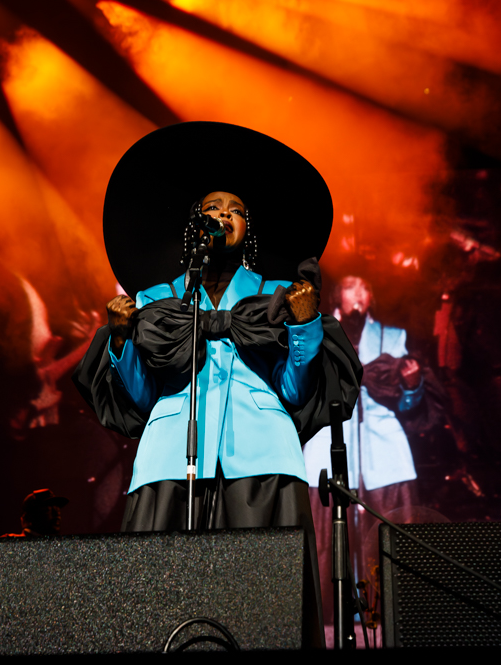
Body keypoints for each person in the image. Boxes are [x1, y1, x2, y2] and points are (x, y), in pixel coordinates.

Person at [73, 122, 362, 647]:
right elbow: (139, 397)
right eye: (213, 207)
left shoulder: (278, 293)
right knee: (158, 606)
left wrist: (302, 327)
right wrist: (119, 338)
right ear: (195, 223)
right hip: (168, 460)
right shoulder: (155, 298)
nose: (223, 215)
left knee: (264, 612)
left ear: (248, 228)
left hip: (262, 460)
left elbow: (297, 392)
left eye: (235, 210)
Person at [302, 275, 430, 620]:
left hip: (383, 450)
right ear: (337, 296)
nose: (358, 293)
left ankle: (389, 613)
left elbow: (408, 404)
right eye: (350, 287)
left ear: (371, 296)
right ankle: (331, 615)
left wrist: (413, 386)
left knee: (386, 533)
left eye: (363, 287)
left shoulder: (393, 337)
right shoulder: (316, 334)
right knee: (328, 538)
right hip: (326, 444)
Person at [2, 488, 69, 537]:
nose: (57, 514)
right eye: (48, 509)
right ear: (30, 516)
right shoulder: (9, 542)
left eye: (57, 509)